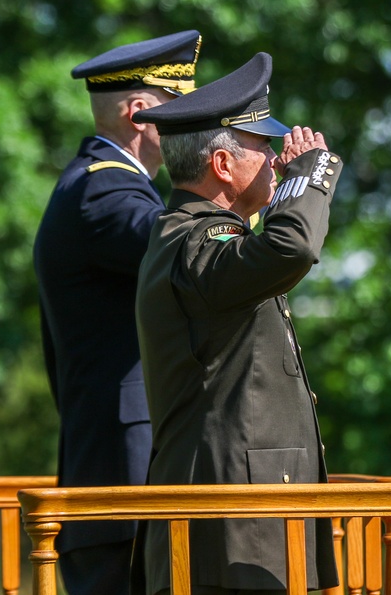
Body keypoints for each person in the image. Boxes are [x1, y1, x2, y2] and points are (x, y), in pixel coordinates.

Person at [131, 52, 343, 595]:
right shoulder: (197, 241)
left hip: (245, 532)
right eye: (264, 147)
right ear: (223, 166)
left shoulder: (191, 237)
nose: (275, 159)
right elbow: (290, 247)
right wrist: (310, 173)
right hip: (228, 537)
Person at [32, 29, 203, 595]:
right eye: (184, 109)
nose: (199, 124)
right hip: (121, 483)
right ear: (139, 114)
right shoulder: (104, 193)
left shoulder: (102, 185)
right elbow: (184, 252)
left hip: (121, 479)